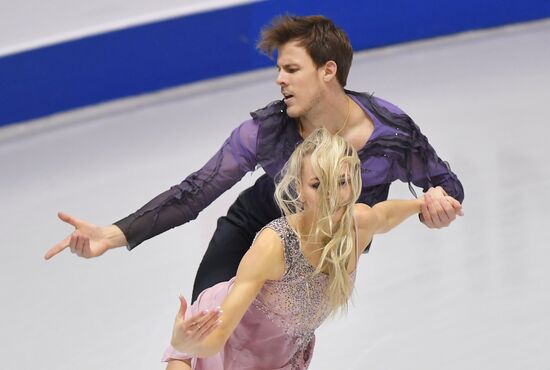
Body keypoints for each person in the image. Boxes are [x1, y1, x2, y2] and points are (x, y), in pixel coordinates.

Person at [44, 15, 464, 304]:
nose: (279, 78)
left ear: (328, 71)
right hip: (253, 227)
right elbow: (194, 193)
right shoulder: (267, 130)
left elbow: (448, 187)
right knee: (203, 331)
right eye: (279, 69)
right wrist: (110, 235)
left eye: (291, 69)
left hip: (319, 256)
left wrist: (436, 208)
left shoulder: (390, 135)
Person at [162, 128, 463, 369]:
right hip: (210, 353)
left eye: (342, 182)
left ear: (355, 181)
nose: (333, 195)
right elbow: (215, 338)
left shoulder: (357, 223)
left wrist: (424, 202)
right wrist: (185, 344)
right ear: (300, 188)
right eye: (318, 185)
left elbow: (385, 216)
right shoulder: (274, 245)